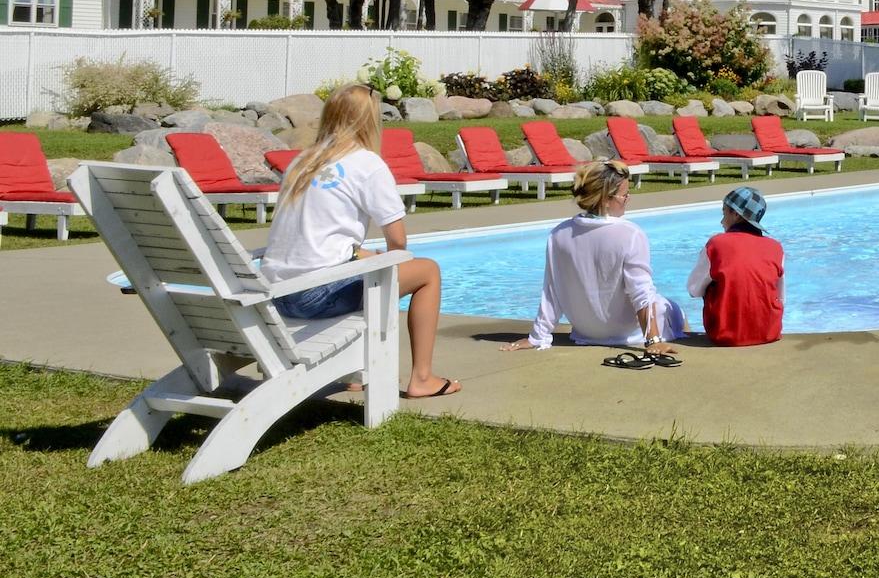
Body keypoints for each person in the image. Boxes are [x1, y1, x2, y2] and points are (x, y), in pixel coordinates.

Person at [258, 84, 458, 399]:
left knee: (367, 260)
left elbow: (315, 237)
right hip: (314, 296)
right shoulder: (366, 164)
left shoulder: (301, 162)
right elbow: (398, 243)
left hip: (276, 293)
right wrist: (382, 261)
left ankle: (353, 372)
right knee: (426, 272)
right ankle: (422, 377)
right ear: (369, 121)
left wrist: (362, 254)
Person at [501, 161, 687, 361]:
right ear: (606, 199)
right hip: (627, 333)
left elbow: (552, 291)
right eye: (624, 195)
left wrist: (538, 336)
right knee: (674, 309)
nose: (628, 199)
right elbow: (641, 291)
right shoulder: (630, 234)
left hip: (586, 332)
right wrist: (653, 340)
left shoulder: (559, 234)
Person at [687, 185, 784, 346]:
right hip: (769, 332)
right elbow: (781, 297)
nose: (721, 221)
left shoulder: (716, 244)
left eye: (724, 212)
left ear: (736, 215)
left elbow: (693, 290)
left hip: (725, 335)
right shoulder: (776, 247)